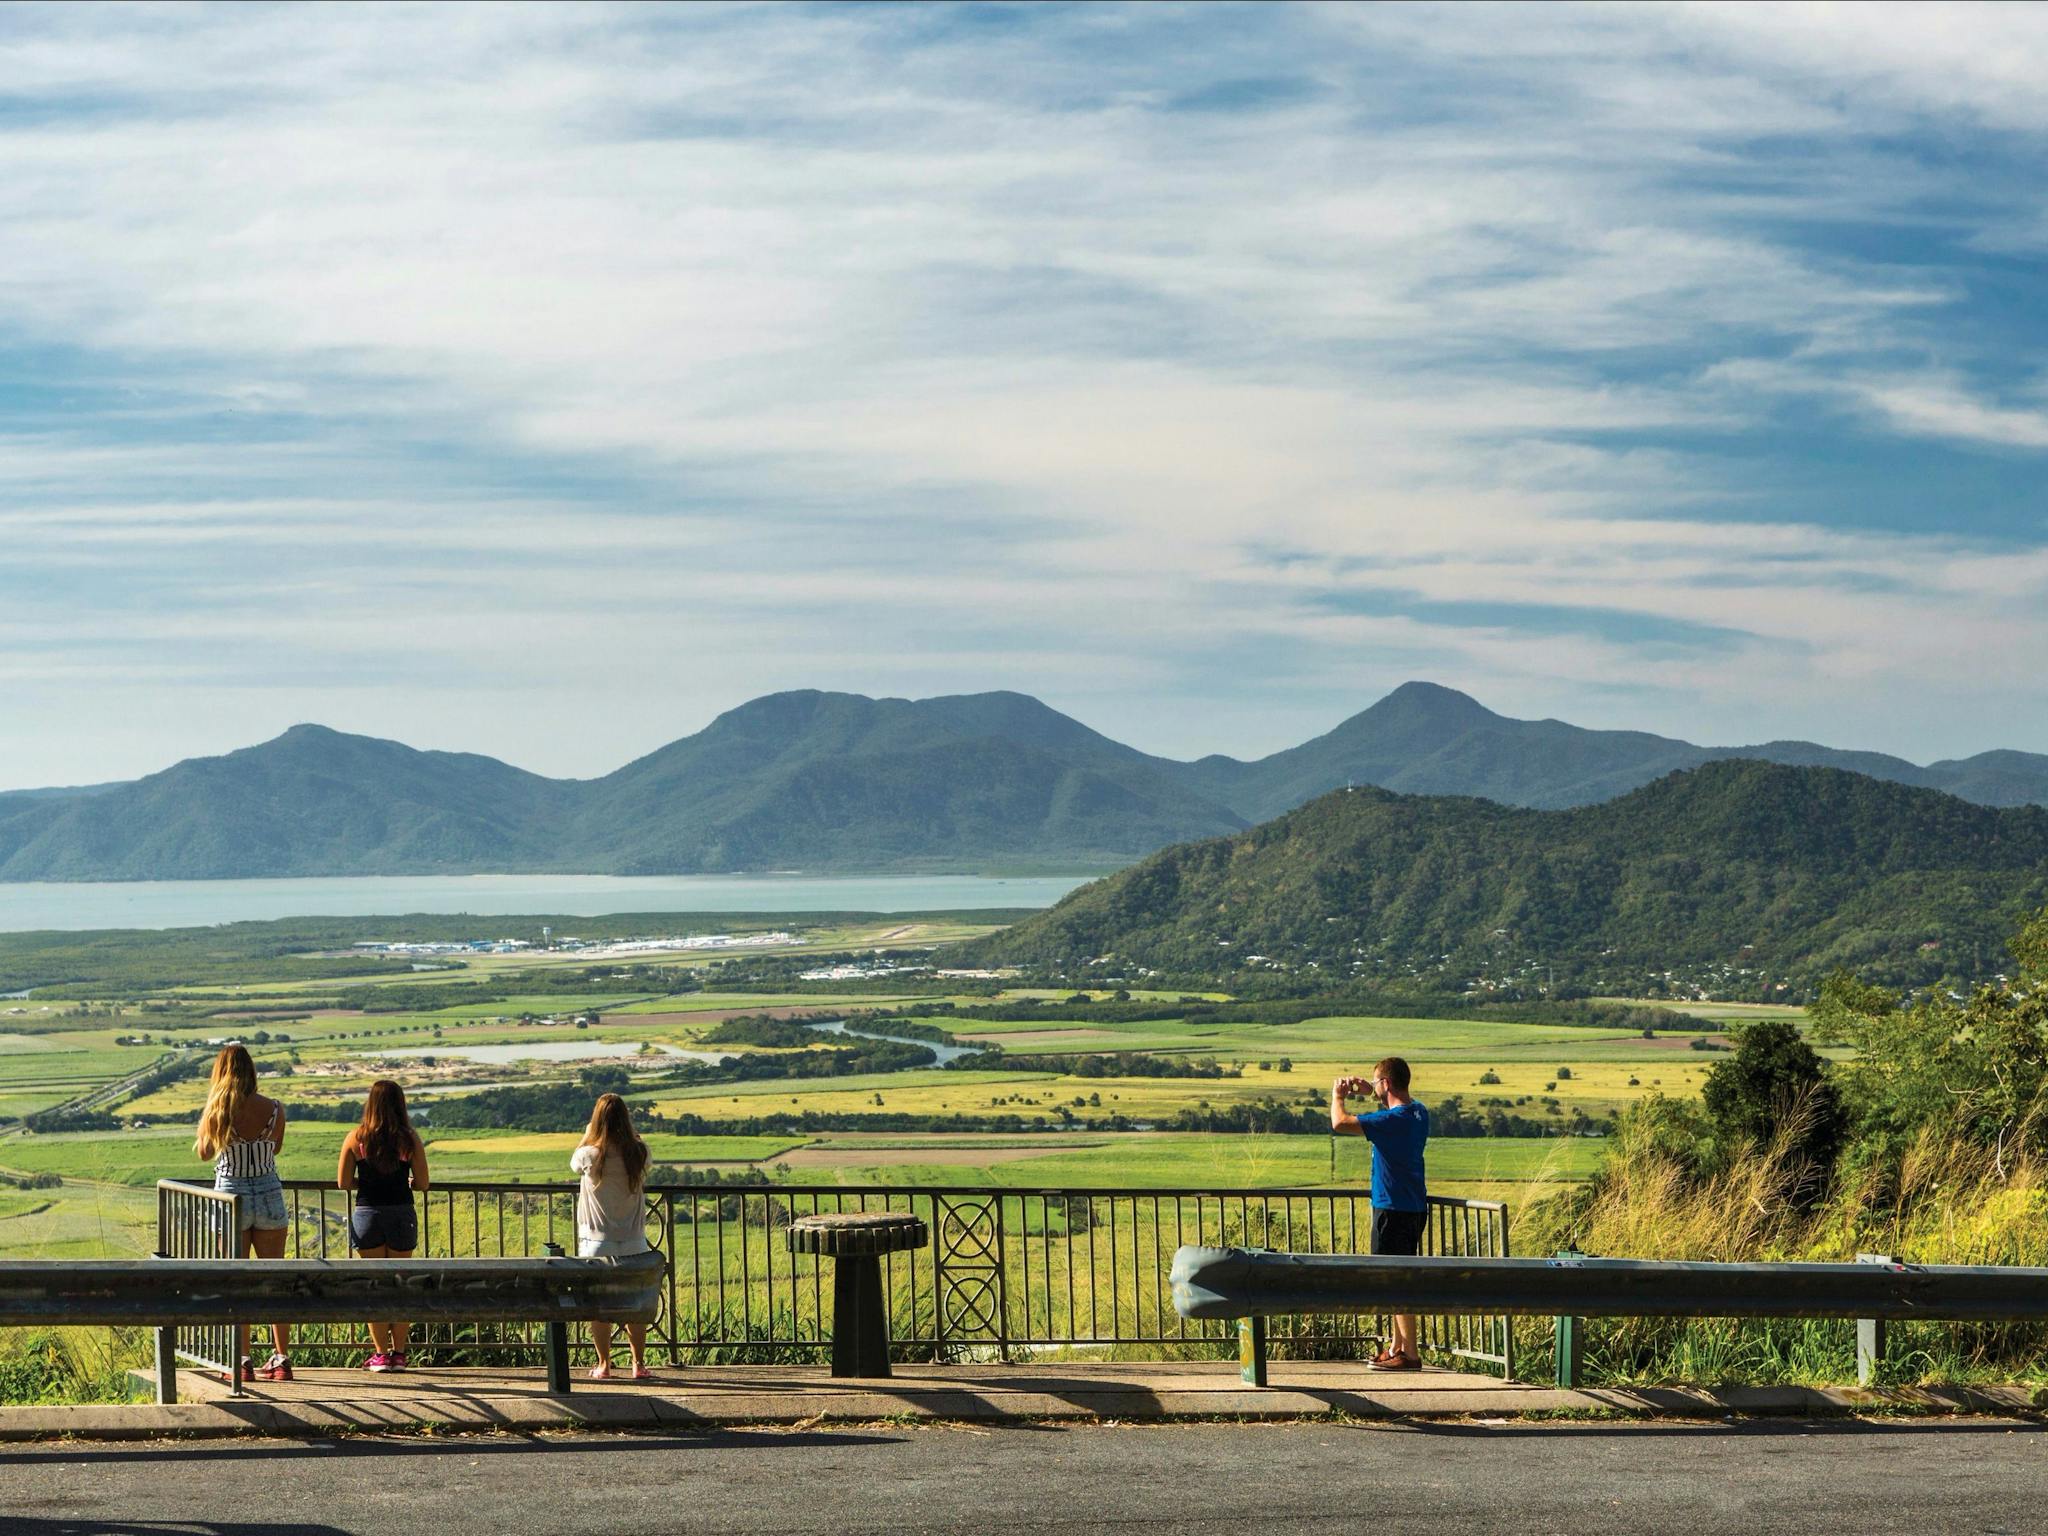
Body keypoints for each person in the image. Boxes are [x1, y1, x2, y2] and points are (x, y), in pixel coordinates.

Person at [193, 1043, 292, 1383]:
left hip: (230, 1195)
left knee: (239, 1280)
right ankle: (281, 1359)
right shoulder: (275, 1109)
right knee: (273, 1280)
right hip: (268, 1193)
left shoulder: (218, 1110)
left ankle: (243, 1360)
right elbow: (275, 1147)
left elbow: (205, 1153)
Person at [1331, 1055, 1429, 1372]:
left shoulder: (1391, 1122)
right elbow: (1391, 1110)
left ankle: (1409, 1354)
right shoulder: (1418, 1113)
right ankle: (1396, 1346)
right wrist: (1372, 1089)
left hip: (1391, 1209)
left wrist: (1339, 1096)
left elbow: (1339, 1123)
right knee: (1398, 1277)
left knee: (1396, 1282)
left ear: (1386, 1083)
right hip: (1414, 1207)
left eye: (1377, 1083)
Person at [338, 1079, 430, 1372]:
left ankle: (380, 1355)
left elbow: (342, 1182)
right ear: (400, 1104)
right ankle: (399, 1353)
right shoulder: (409, 1139)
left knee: (374, 1285)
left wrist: (363, 1181)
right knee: (401, 1284)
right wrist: (410, 1181)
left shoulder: (356, 1138)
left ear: (371, 1104)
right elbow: (424, 1183)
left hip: (367, 1215)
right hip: (402, 1214)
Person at [572, 1092, 653, 1380]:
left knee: (599, 1306)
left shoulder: (589, 1155)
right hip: (634, 1240)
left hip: (596, 1242)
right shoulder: (639, 1152)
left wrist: (586, 1137)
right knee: (634, 1305)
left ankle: (604, 1364)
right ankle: (638, 1364)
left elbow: (573, 1164)